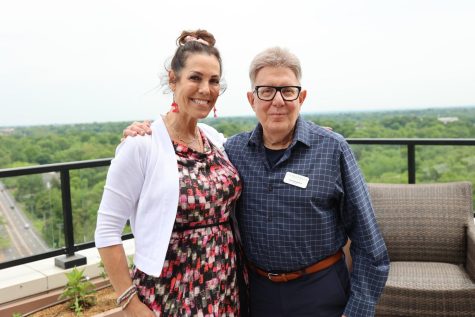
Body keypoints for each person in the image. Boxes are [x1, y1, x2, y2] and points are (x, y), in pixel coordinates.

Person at [123, 47, 390, 317]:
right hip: (256, 293)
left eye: (287, 91)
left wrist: (358, 310)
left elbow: (370, 246)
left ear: (302, 97)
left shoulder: (333, 150)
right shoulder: (232, 152)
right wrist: (146, 133)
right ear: (252, 99)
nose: (277, 101)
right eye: (266, 91)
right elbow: (188, 148)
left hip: (320, 291)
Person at [95, 30, 243, 317]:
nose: (206, 89)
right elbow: (107, 231)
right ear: (172, 79)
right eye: (195, 78)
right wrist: (130, 303)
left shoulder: (214, 139)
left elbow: (257, 148)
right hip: (170, 291)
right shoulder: (142, 145)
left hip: (224, 284)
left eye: (214, 81)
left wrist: (310, 136)